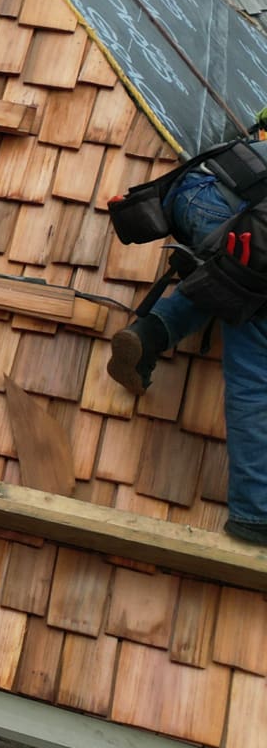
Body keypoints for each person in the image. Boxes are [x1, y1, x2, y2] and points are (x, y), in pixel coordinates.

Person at [108, 117, 267, 545]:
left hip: (195, 189)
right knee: (256, 370)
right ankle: (255, 515)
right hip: (247, 220)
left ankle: (149, 335)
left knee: (232, 281)